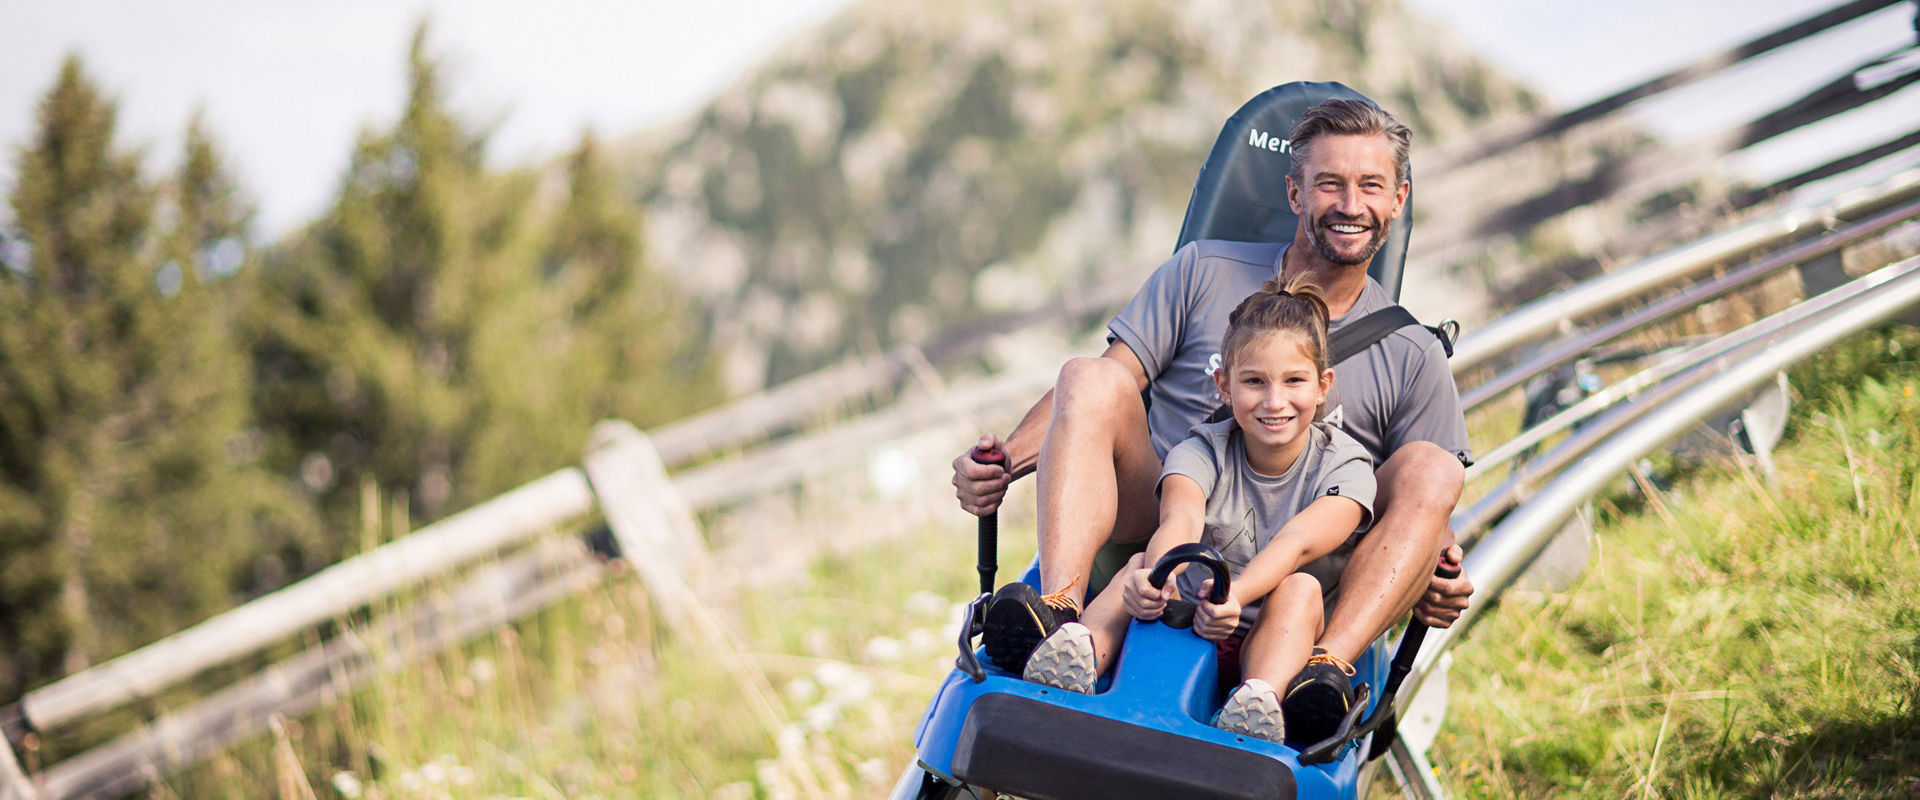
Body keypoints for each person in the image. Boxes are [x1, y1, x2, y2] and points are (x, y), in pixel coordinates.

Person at [952, 97, 1475, 698]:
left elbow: (1431, 509)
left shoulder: (1413, 353)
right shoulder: (1201, 270)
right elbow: (1100, 383)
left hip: (1294, 582)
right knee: (1087, 374)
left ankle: (1321, 676)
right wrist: (1002, 464)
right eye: (1329, 184)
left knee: (1433, 466)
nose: (1351, 206)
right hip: (1159, 525)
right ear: (1296, 194)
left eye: (1371, 186)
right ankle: (1058, 611)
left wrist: (1441, 575)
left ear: (1398, 200)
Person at [1020, 275, 1377, 744]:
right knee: (1138, 565)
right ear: (1224, 387)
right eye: (1254, 382)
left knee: (1301, 589)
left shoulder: (1347, 466)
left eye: (1294, 381)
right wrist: (1160, 575)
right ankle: (1078, 653)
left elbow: (1296, 543)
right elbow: (1181, 516)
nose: (1275, 401)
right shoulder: (1202, 448)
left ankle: (1258, 701)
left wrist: (1236, 596)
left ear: (1322, 386)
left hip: (1266, 635)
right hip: (1180, 621)